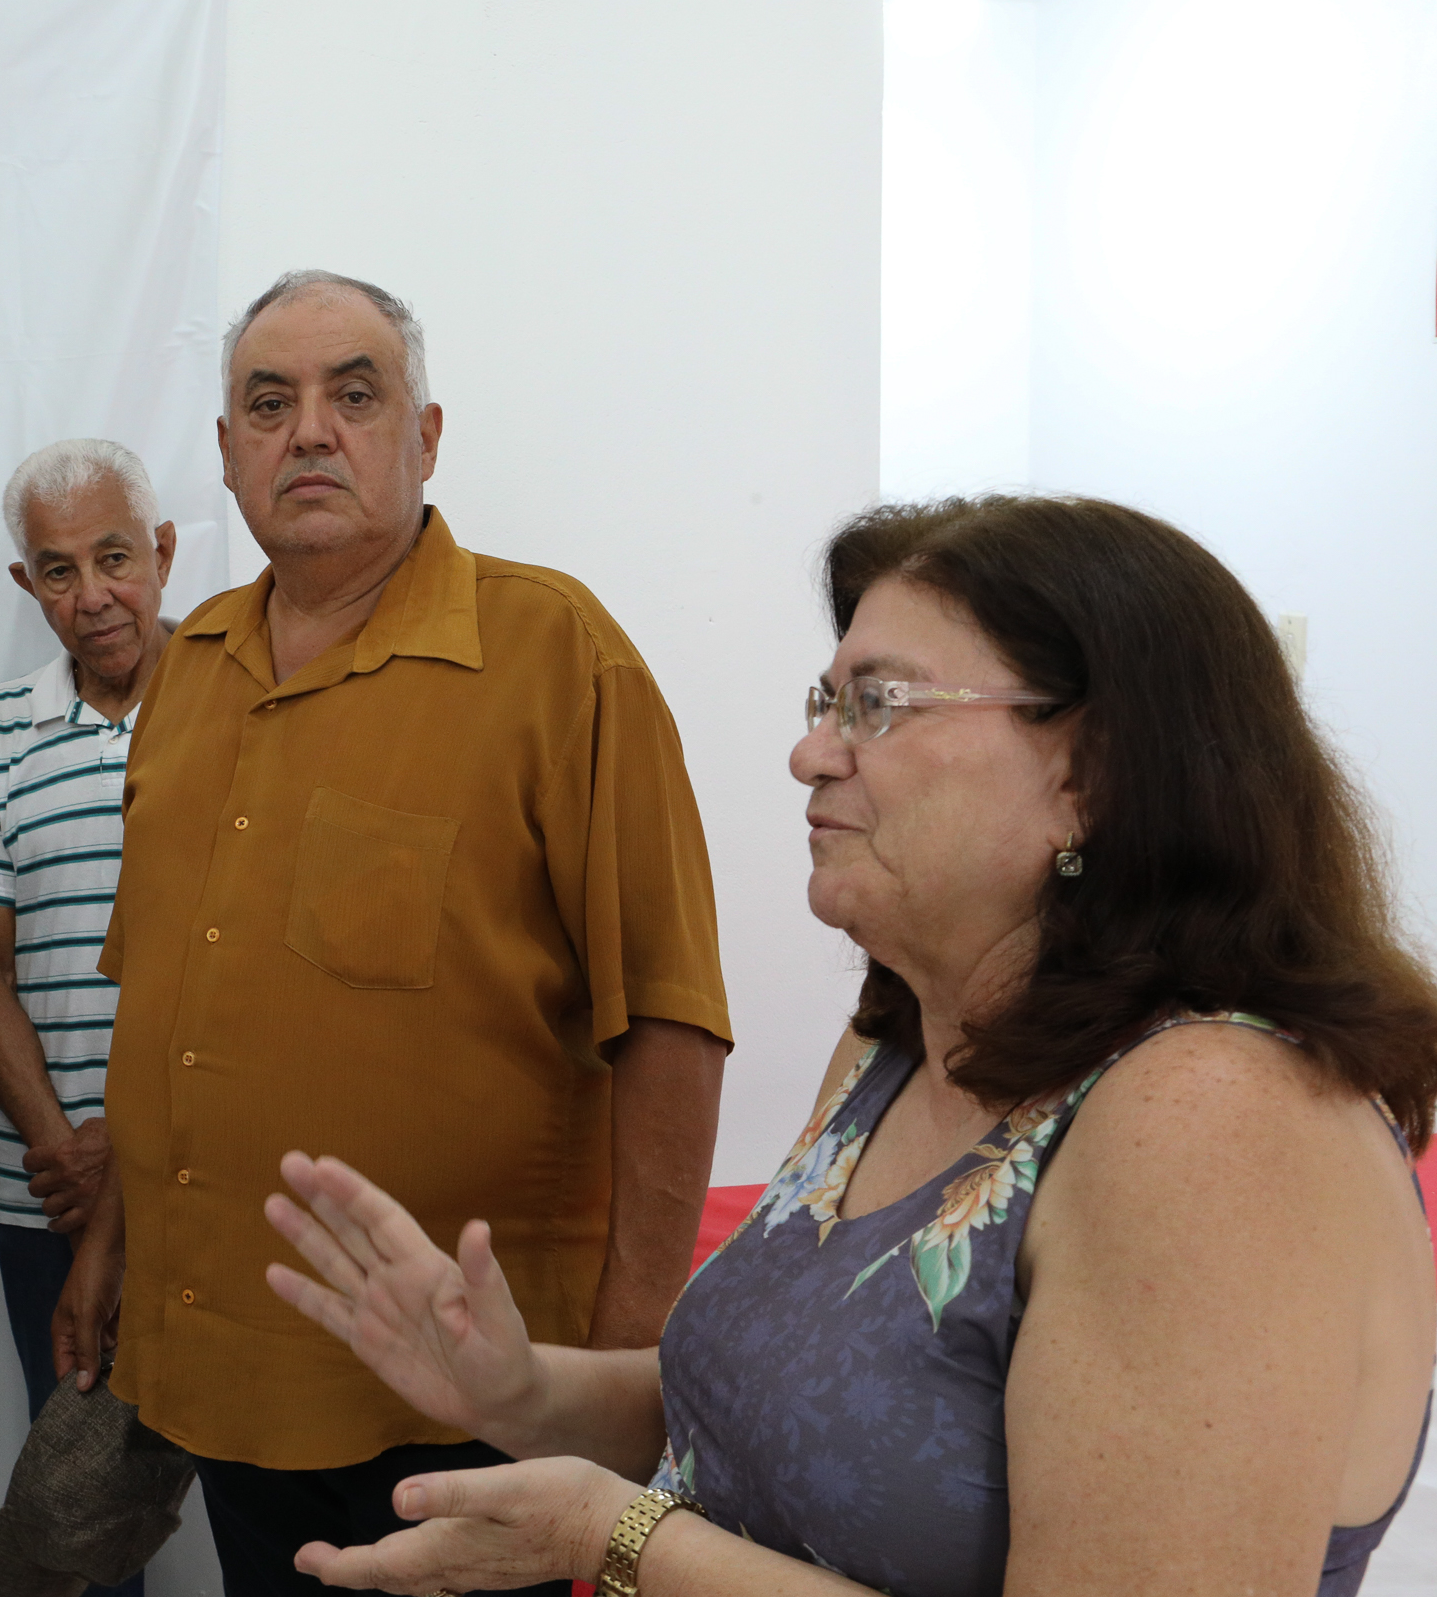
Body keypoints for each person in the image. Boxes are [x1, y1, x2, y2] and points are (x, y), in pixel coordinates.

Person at [259, 494, 1437, 1597]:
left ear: (1087, 771)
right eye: (823, 703)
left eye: (878, 704)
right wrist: (518, 1389)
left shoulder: (1215, 1121)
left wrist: (616, 1538)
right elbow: (774, 1415)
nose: (811, 754)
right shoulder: (897, 1040)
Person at [53, 271, 734, 1596]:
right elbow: (165, 1007)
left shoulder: (556, 655)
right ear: (227, 457)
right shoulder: (189, 667)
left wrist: (624, 1379)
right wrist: (112, 1243)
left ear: (423, 438)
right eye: (270, 403)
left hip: (466, 1401)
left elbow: (668, 1018)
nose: (310, 431)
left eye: (353, 396)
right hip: (225, 1370)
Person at [0, 439, 179, 1597]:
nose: (92, 596)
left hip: (205, 1180)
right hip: (44, 1192)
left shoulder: (242, 709)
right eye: (56, 569)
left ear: (165, 552)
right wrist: (67, 1152)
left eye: (115, 558)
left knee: (258, 1484)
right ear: (24, 584)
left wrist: (128, 1158)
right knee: (79, 1512)